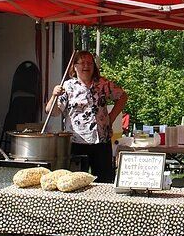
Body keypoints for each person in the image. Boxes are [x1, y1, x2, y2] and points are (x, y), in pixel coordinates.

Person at [51, 51, 128, 183]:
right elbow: (53, 112)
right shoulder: (68, 86)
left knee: (104, 182)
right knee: (76, 182)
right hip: (76, 142)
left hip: (101, 141)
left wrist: (111, 117)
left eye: (89, 63)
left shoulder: (103, 84)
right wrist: (53, 96)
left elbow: (122, 96)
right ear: (75, 66)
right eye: (82, 63)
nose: (86, 66)